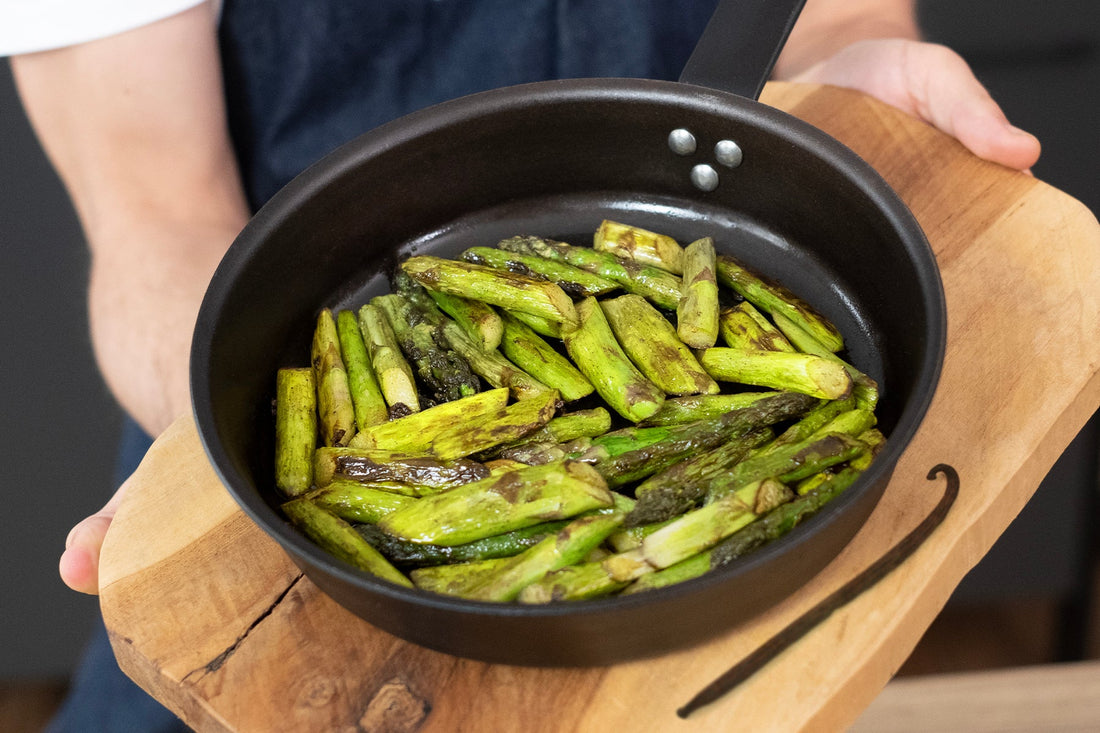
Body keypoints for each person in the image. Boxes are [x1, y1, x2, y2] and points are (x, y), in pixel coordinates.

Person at [3, 0, 1041, 729]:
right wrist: (219, 440)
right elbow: (158, 216)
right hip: (289, 494)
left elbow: (827, 19)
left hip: (734, 634)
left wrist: (849, 71)